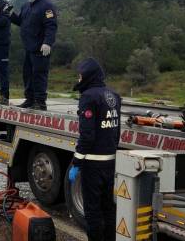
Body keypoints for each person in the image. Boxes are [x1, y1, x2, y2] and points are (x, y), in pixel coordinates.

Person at [69, 58, 121, 241]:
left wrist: (77, 162)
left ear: (88, 76)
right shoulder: (114, 96)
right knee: (108, 208)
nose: (78, 79)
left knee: (92, 211)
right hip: (110, 161)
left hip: (93, 164)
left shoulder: (88, 97)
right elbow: (117, 131)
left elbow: (87, 136)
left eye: (80, 75)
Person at [7, 0, 58, 110]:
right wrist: (11, 14)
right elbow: (21, 22)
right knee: (28, 75)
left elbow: (51, 26)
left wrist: (48, 42)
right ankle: (30, 100)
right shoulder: (26, 6)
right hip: (29, 47)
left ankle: (40, 102)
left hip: (41, 47)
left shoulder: (46, 6)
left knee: (39, 74)